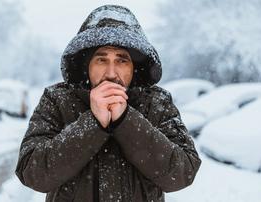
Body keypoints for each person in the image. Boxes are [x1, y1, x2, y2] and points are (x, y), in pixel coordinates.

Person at [15, 4, 201, 202]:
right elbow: (31, 174)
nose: (111, 73)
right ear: (86, 65)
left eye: (122, 61)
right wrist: (92, 124)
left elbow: (183, 173)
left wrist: (126, 121)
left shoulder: (157, 102)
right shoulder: (57, 100)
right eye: (101, 60)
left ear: (134, 68)